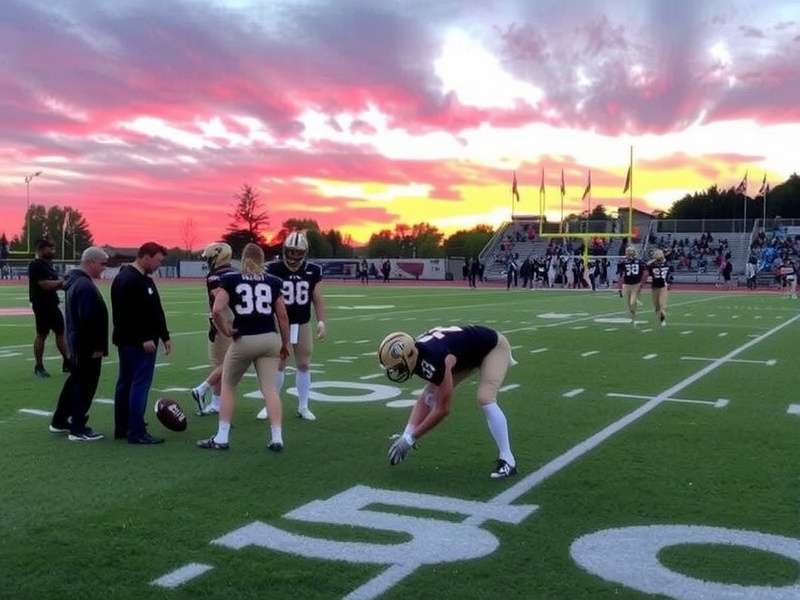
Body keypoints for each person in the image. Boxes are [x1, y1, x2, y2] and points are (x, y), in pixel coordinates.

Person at [379, 326, 518, 478]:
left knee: (485, 397)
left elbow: (442, 410)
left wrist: (411, 439)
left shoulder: (434, 357)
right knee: (429, 395)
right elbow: (425, 400)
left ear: (410, 355)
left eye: (398, 367)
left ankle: (508, 459)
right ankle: (507, 458)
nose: (397, 371)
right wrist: (406, 435)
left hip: (492, 347)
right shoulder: (419, 353)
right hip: (467, 354)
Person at [198, 243, 290, 451]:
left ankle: (222, 437)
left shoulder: (231, 279)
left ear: (243, 259)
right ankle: (277, 438)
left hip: (245, 339)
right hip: (269, 338)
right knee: (270, 389)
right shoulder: (273, 281)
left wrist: (226, 330)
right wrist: (284, 343)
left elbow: (217, 309)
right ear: (262, 260)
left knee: (229, 387)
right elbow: (283, 316)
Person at [257, 231, 326, 421]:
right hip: (280, 324)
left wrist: (321, 321)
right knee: (279, 364)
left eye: (298, 252)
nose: (294, 256)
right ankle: (270, 404)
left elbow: (317, 298)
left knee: (303, 364)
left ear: (305, 253)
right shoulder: (273, 269)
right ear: (284, 250)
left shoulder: (313, 270)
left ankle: (303, 406)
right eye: (291, 252)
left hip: (302, 322)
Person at [111, 242, 172, 444]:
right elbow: (125, 314)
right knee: (138, 384)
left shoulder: (142, 279)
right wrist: (144, 337)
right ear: (146, 256)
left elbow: (156, 310)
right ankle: (135, 431)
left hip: (134, 340)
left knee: (127, 383)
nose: (159, 265)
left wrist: (165, 335)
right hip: (136, 342)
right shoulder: (129, 279)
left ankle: (124, 426)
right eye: (158, 260)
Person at [50, 247, 109, 441]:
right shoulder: (84, 285)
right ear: (91, 262)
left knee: (74, 382)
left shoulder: (77, 282)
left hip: (78, 344)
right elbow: (89, 320)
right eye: (102, 264)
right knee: (85, 386)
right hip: (86, 347)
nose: (104, 268)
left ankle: (59, 421)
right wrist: (97, 348)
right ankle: (78, 428)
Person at [191, 242, 236, 416]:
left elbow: (219, 298)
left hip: (222, 322)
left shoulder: (216, 277)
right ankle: (213, 399)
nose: (208, 261)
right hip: (230, 322)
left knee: (226, 362)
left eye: (210, 258)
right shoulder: (234, 273)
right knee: (226, 363)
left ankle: (204, 390)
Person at [28, 238, 69, 377]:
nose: (52, 250)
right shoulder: (36, 265)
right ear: (41, 250)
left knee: (60, 332)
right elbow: (44, 285)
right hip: (41, 305)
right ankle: (39, 366)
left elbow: (54, 284)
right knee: (42, 334)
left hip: (52, 303)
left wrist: (63, 283)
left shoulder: (48, 265)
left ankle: (67, 361)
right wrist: (62, 283)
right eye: (49, 248)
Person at [620, 246, 647, 325]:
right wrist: (620, 286)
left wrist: (642, 283)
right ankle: (633, 315)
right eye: (628, 252)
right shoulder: (623, 262)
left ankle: (633, 314)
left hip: (636, 284)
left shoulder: (639, 262)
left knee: (632, 302)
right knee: (629, 303)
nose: (629, 254)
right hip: (627, 284)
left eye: (630, 252)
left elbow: (645, 272)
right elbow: (621, 274)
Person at [647, 249, 670, 327]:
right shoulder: (653, 265)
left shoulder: (665, 263)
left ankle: (663, 320)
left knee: (662, 305)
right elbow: (647, 265)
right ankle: (659, 319)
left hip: (663, 286)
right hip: (655, 286)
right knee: (656, 306)